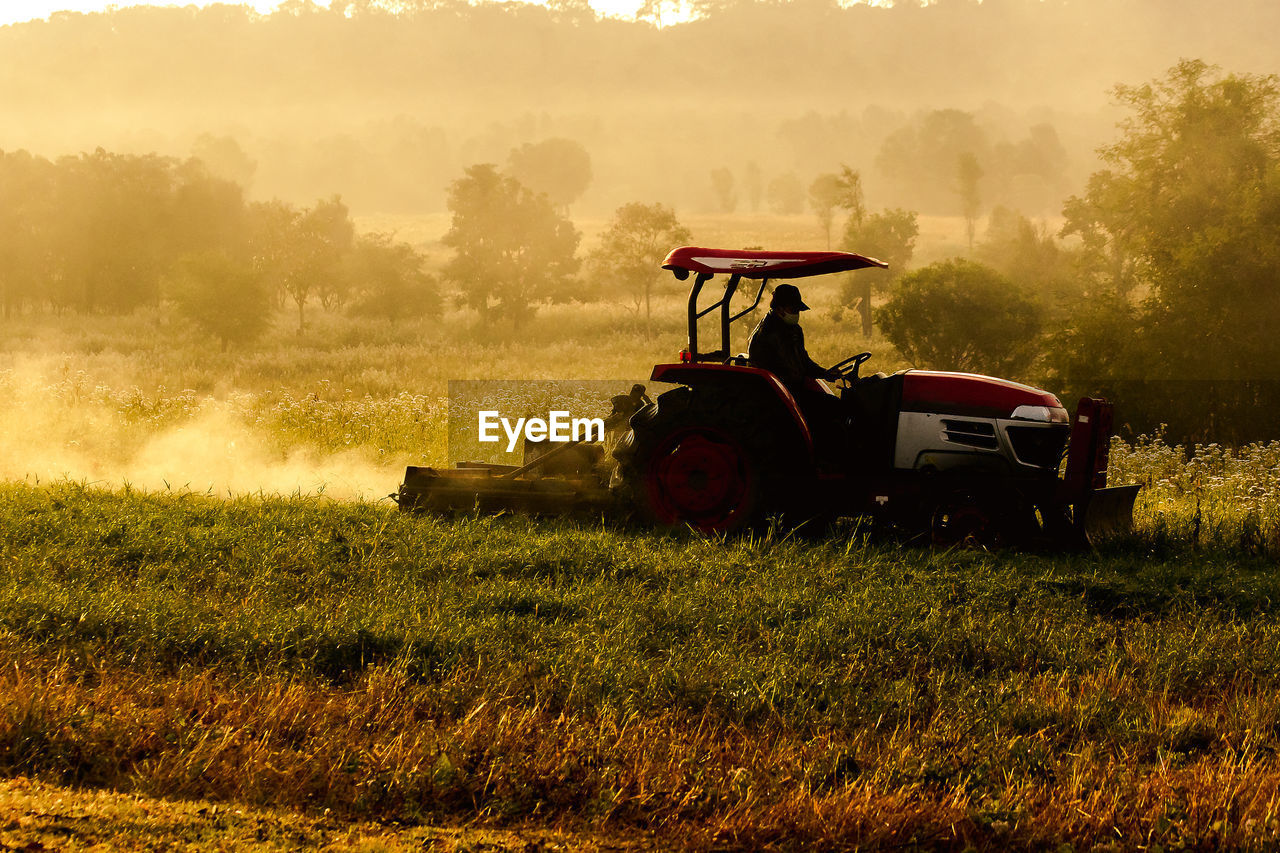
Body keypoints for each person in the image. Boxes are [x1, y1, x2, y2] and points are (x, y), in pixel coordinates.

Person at [747, 283, 841, 387]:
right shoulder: (767, 333)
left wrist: (825, 373)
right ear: (779, 309)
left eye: (798, 310)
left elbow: (803, 361)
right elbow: (792, 369)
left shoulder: (794, 329)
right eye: (793, 310)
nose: (796, 314)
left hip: (791, 387)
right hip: (778, 391)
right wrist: (821, 374)